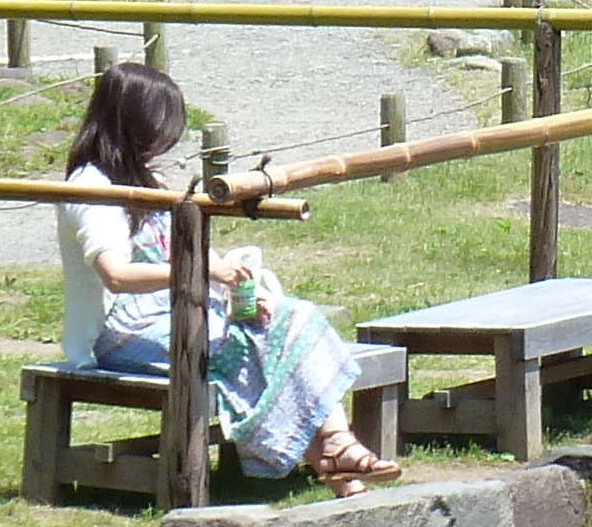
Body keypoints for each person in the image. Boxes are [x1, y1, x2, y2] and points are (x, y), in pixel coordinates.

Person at [59, 62, 400, 496]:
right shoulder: (93, 187)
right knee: (240, 346)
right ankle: (337, 461)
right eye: (159, 131)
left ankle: (337, 448)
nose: (165, 142)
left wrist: (233, 284)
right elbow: (117, 276)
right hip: (120, 330)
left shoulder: (149, 178)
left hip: (178, 305)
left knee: (287, 316)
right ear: (131, 125)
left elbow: (185, 248)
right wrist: (203, 273)